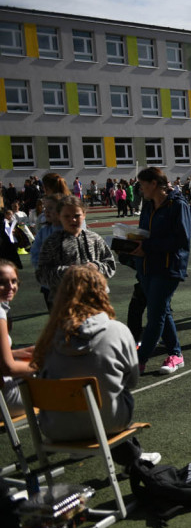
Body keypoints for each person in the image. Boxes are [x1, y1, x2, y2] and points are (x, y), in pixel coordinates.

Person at [31, 265, 159, 466]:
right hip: (110, 422)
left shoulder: (48, 337)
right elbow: (132, 381)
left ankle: (122, 454)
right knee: (115, 391)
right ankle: (132, 459)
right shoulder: (117, 330)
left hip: (57, 427)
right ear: (101, 293)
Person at [131, 167, 191, 375]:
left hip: (167, 267)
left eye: (143, 185)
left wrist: (147, 246)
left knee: (155, 315)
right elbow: (143, 233)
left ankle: (139, 361)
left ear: (154, 184)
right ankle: (176, 353)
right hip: (146, 266)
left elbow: (182, 239)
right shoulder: (148, 205)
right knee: (162, 310)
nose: (140, 189)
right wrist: (130, 244)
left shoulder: (177, 205)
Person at [36, 196, 116, 305]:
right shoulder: (52, 242)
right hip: (66, 303)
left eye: (77, 216)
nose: (72, 220)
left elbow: (110, 264)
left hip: (96, 299)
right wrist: (66, 272)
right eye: (67, 216)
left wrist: (96, 267)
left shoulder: (95, 238)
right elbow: (42, 274)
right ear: (59, 216)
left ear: (84, 215)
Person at [0, 260, 35, 416]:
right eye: (2, 283)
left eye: (14, 281)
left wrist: (16, 353)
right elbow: (8, 368)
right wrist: (45, 365)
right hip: (6, 399)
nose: (10, 287)